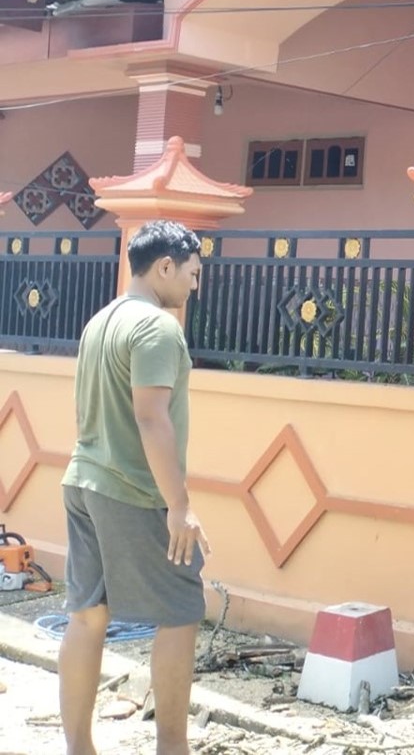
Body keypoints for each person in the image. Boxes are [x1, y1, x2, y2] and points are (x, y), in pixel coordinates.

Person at [58, 220, 209, 755]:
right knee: (181, 609)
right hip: (133, 490)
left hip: (83, 480)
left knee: (87, 615)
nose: (195, 285)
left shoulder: (100, 321)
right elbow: (151, 417)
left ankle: (79, 748)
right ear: (165, 266)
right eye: (192, 273)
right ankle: (172, 747)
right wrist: (179, 505)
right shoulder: (158, 328)